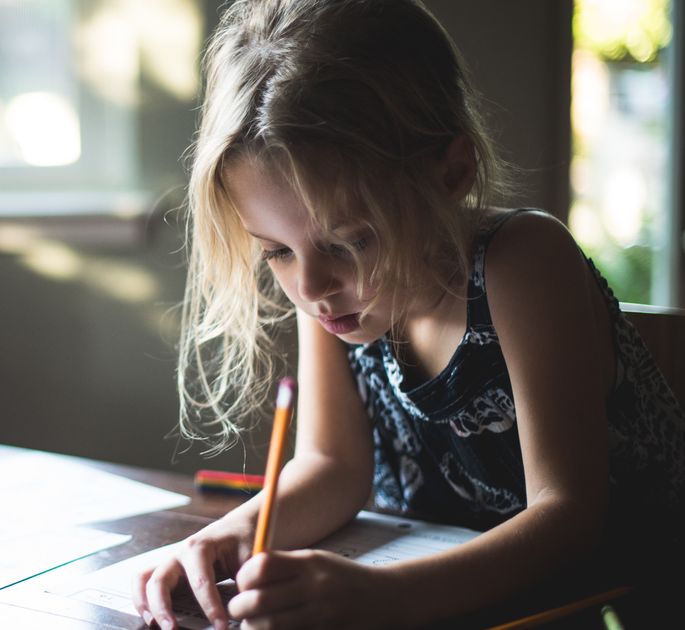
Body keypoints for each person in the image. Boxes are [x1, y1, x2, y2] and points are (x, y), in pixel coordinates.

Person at [132, 0, 685, 627]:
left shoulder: (524, 262)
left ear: (449, 173)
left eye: (349, 242)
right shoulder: (339, 295)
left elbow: (569, 518)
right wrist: (227, 536)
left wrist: (383, 597)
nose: (311, 285)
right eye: (278, 251)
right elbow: (332, 469)